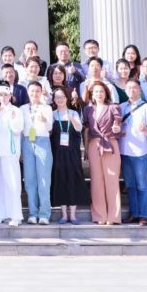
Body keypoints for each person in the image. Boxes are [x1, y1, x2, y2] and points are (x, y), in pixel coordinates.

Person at [83, 81, 123, 225]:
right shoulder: (88, 110)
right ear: (91, 95)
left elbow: (118, 123)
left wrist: (117, 128)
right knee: (96, 181)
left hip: (110, 143)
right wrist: (86, 149)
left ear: (106, 93)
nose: (98, 94)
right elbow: (87, 130)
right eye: (95, 92)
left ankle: (113, 216)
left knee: (112, 180)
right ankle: (100, 215)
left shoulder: (113, 107)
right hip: (94, 144)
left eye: (101, 91)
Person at [119, 80, 147, 226]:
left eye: (135, 88)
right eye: (129, 88)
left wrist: (145, 129)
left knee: (142, 185)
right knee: (130, 185)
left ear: (140, 90)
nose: (132, 90)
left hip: (140, 152)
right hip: (124, 151)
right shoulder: (122, 107)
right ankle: (133, 213)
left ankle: (143, 214)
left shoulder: (146, 107)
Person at [0, 83, 24, 226]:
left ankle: (15, 215)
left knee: (13, 184)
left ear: (10, 96)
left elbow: (17, 129)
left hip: (10, 151)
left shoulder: (16, 110)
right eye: (1, 94)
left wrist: (13, 118)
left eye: (6, 94)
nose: (3, 97)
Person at [49, 87, 85, 224]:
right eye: (57, 97)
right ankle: (64, 214)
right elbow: (49, 131)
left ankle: (73, 215)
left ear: (67, 98)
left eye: (62, 97)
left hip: (72, 153)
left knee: (73, 180)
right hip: (57, 153)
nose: (60, 99)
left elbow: (79, 129)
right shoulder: (52, 114)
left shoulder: (74, 113)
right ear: (54, 100)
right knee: (61, 181)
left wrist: (72, 119)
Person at [20, 82, 53, 224]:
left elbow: (50, 127)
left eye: (37, 91)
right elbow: (20, 130)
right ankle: (33, 213)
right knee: (30, 180)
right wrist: (21, 149)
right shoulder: (22, 108)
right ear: (28, 92)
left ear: (41, 92)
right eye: (32, 91)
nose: (34, 94)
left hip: (42, 141)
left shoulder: (47, 108)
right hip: (27, 142)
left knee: (44, 179)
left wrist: (44, 120)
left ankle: (44, 213)